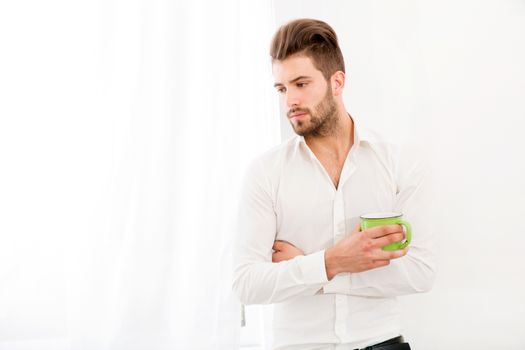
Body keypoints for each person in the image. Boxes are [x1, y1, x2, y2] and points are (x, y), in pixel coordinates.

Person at [232, 18, 436, 350]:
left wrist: (318, 265)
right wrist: (333, 261)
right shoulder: (265, 173)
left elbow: (421, 272)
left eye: (301, 84)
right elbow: (247, 284)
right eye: (282, 89)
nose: (290, 101)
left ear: (336, 82)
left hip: (382, 343)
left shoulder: (398, 163)